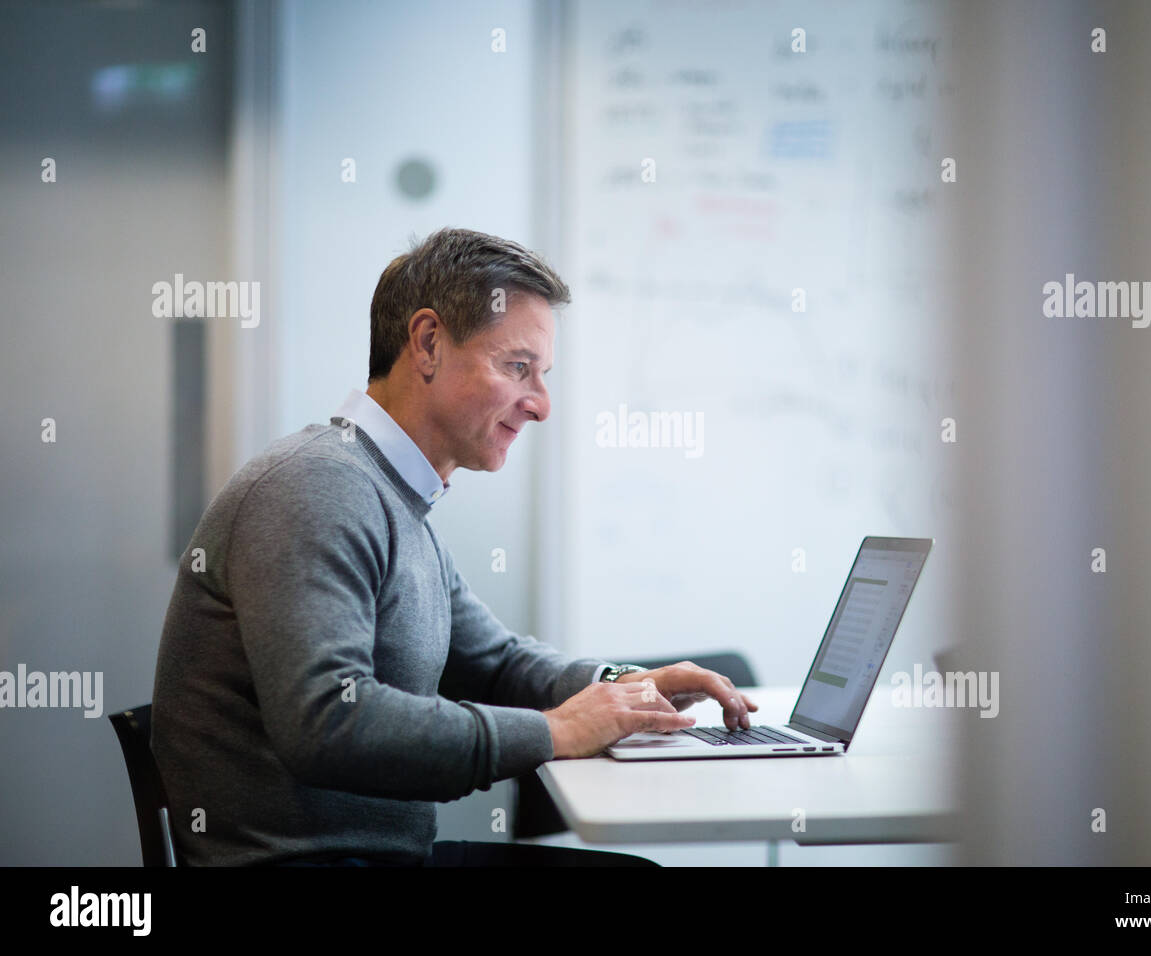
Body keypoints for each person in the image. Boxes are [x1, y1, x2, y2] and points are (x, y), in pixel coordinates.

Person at [150, 227, 757, 866]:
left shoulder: (393, 496)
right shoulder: (317, 487)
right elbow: (326, 722)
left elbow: (495, 663)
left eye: (542, 374)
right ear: (429, 343)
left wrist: (628, 688)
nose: (541, 405)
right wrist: (557, 731)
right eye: (517, 367)